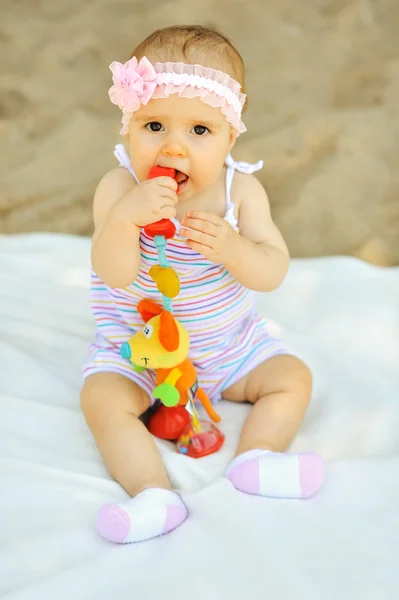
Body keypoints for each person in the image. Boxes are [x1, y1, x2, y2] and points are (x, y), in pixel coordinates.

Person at [81, 25, 324, 544]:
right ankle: (152, 494)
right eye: (153, 126)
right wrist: (126, 220)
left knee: (293, 378)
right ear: (126, 128)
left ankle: (256, 459)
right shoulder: (118, 188)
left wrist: (235, 250)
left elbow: (274, 268)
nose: (174, 147)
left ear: (230, 136)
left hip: (230, 349)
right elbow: (113, 272)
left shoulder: (242, 192)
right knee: (101, 399)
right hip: (140, 354)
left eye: (199, 131)